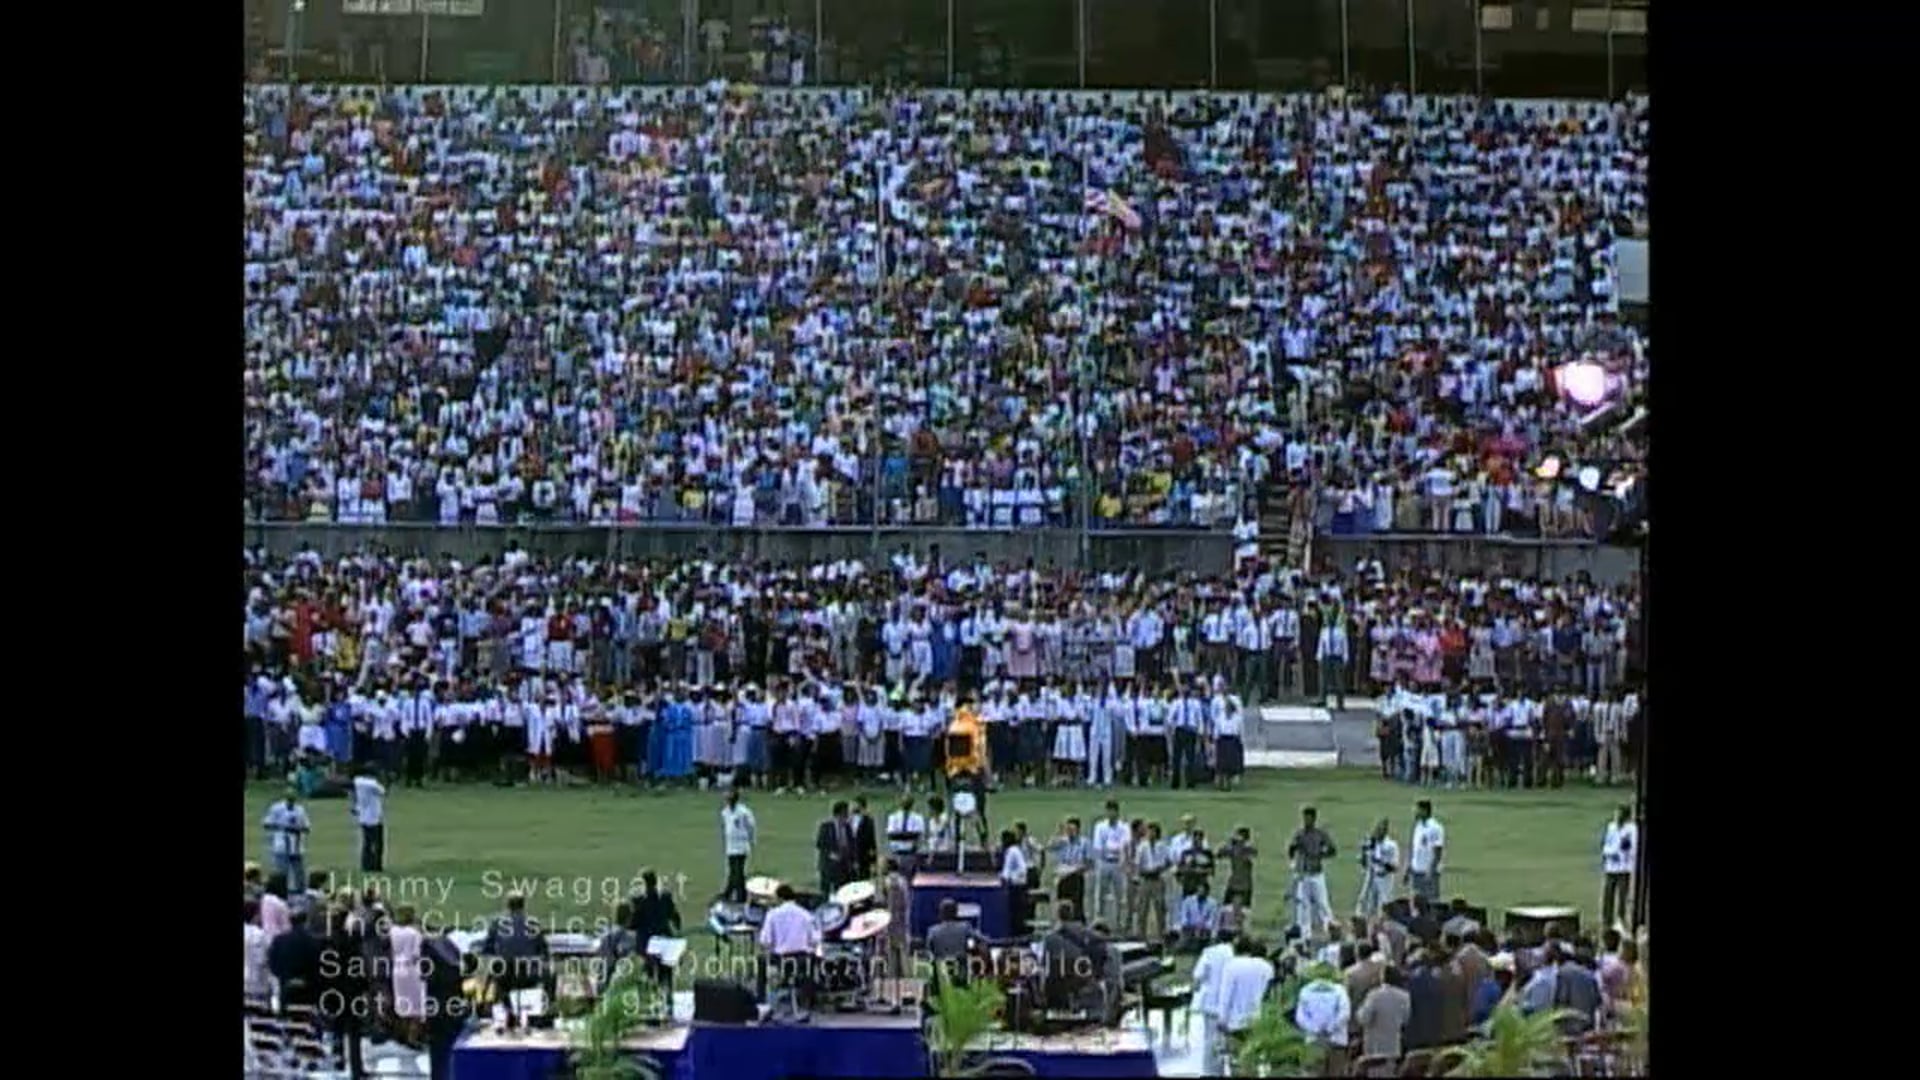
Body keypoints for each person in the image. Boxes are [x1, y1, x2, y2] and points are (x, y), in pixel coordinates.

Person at [481, 891, 551, 1028]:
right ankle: (544, 1012)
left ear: (507, 905)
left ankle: (504, 1012)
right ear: (523, 905)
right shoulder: (533, 923)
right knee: (549, 974)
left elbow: (487, 950)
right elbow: (543, 951)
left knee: (495, 969)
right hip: (528, 975)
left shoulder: (497, 923)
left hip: (505, 976)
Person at [759, 883, 820, 1020]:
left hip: (780, 959)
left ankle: (762, 1003)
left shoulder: (772, 915)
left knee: (761, 962)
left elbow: (765, 941)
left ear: (780, 898)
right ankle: (807, 1004)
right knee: (810, 966)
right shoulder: (806, 915)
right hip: (802, 959)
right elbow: (815, 939)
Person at [1217, 936, 1277, 1069]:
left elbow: (1226, 995)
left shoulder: (1231, 966)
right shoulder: (1266, 967)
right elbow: (1271, 995)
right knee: (1254, 1062)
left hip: (1235, 1022)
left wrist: (1222, 1019)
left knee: (1236, 1062)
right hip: (1259, 1021)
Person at [1294, 962, 1353, 1077]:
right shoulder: (1339, 990)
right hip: (1336, 1041)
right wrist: (1330, 1028)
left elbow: (1300, 1017)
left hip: (1313, 1041)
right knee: (1335, 1073)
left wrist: (1315, 1029)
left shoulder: (1306, 990)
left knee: (1313, 1073)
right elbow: (1345, 1013)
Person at [1287, 807, 1337, 939]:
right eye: (1305, 818)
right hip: (1303, 873)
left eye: (1309, 818)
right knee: (1304, 905)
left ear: (1314, 819)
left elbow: (1332, 850)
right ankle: (1305, 934)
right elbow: (1291, 849)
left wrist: (1320, 854)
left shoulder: (1320, 834)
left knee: (1323, 903)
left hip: (1316, 873)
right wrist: (1294, 859)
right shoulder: (1299, 834)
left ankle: (1329, 928)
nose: (1306, 821)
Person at [1192, 930, 1237, 1073]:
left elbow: (1198, 975)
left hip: (1211, 1002)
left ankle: (1211, 1071)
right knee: (1232, 1037)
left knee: (1210, 1038)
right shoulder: (1235, 953)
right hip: (1232, 1002)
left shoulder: (1209, 952)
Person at [628, 869, 682, 987]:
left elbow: (633, 924)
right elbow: (675, 917)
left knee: (649, 976)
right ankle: (667, 998)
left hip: (647, 944)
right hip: (664, 940)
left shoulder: (639, 901)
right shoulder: (665, 897)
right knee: (666, 976)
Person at [1355, 966, 1413, 1075]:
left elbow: (1364, 1018)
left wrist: (1359, 1011)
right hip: (1393, 1046)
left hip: (1375, 1047)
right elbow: (1406, 1019)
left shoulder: (1374, 995)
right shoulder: (1405, 996)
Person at [926, 898, 990, 990]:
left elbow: (928, 950)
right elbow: (982, 940)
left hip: (941, 972)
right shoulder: (965, 927)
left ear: (941, 913)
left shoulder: (932, 931)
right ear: (956, 913)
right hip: (961, 970)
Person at [266, 906, 323, 1010]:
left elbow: (272, 964)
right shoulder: (315, 942)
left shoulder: (279, 941)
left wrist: (284, 976)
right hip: (309, 992)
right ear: (306, 921)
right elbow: (318, 967)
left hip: (286, 990)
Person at [388, 904, 428, 1042]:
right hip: (411, 970)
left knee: (402, 1006)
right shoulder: (414, 933)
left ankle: (402, 1037)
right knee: (416, 1008)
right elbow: (417, 954)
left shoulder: (392, 931)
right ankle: (413, 1038)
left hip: (396, 970)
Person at [263, 789, 312, 893]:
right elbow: (267, 824)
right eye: (289, 799)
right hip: (281, 844)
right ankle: (281, 891)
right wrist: (283, 827)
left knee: (299, 871)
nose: (291, 801)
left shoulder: (300, 810)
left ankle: (300, 891)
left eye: (293, 799)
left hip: (297, 845)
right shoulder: (277, 808)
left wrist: (298, 829)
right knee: (281, 871)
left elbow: (307, 827)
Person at [1089, 801, 1129, 929]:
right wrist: (1112, 850)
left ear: (1117, 812)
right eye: (1109, 811)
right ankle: (1099, 920)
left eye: (1114, 811)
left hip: (1119, 863)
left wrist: (1116, 850)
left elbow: (1125, 845)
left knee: (1120, 894)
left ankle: (1119, 922)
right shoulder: (1100, 827)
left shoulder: (1124, 827)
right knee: (1100, 893)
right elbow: (1098, 846)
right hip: (1104, 862)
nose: (1111, 813)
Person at [1131, 821, 1171, 941]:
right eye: (1149, 831)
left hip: (1157, 879)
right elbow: (1137, 864)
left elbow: (1167, 862)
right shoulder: (1142, 846)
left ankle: (1161, 934)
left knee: (1160, 908)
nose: (1151, 834)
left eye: (1154, 831)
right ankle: (1141, 935)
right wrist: (1139, 876)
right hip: (1145, 879)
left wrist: (1160, 868)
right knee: (1142, 908)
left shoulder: (1162, 846)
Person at [1600, 804, 1636, 930]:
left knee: (1622, 896)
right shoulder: (1611, 827)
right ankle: (1606, 921)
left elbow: (1631, 848)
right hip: (1610, 867)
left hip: (1624, 868)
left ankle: (1620, 921)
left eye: (1619, 814)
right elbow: (1605, 844)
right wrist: (1609, 853)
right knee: (1607, 895)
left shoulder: (1631, 829)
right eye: (1616, 814)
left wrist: (1619, 853)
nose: (1617, 817)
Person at [1356, 818, 1398, 920]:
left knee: (1384, 904)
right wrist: (1364, 851)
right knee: (1367, 902)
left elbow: (1394, 867)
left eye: (1380, 830)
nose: (1377, 832)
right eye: (1376, 829)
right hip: (1372, 876)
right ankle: (1364, 921)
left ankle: (1383, 925)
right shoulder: (1371, 844)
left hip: (1385, 878)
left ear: (1385, 831)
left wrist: (1380, 862)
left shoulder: (1391, 846)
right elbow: (1364, 863)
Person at [1050, 817, 1091, 921]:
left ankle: (1078, 924)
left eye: (1072, 829)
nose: (1069, 832)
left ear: (1078, 829)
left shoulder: (1084, 842)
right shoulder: (1062, 842)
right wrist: (1058, 832)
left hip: (1076, 877)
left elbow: (1089, 862)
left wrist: (1077, 868)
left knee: (1076, 905)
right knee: (1062, 904)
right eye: (1068, 829)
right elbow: (1050, 846)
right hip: (1063, 877)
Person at [721, 789, 757, 903]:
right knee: (733, 871)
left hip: (741, 845)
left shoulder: (744, 812)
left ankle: (735, 895)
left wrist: (751, 839)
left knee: (738, 871)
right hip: (730, 846)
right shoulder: (725, 812)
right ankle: (736, 894)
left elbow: (751, 826)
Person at [1407, 800, 1446, 905]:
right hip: (1416, 871)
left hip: (1428, 872)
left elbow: (1438, 851)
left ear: (1424, 811)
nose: (1414, 812)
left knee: (1431, 901)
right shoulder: (1418, 826)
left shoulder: (1435, 828)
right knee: (1417, 903)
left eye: (1417, 809)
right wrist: (1408, 868)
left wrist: (1431, 870)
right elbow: (1415, 849)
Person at [350, 769, 386, 873]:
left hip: (363, 817)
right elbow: (382, 791)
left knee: (367, 843)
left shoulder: (358, 781)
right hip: (374, 818)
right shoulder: (372, 784)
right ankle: (376, 865)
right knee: (378, 844)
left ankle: (366, 865)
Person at [999, 828, 1032, 936]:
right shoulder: (1015, 850)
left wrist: (1006, 878)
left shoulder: (1012, 852)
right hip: (1018, 885)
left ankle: (1016, 935)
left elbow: (1008, 871)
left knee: (1016, 913)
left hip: (1017, 886)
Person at [885, 795, 926, 876]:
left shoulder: (918, 818)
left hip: (911, 853)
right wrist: (907, 836)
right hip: (897, 853)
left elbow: (918, 835)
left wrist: (902, 836)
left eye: (907, 801)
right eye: (904, 801)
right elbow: (891, 835)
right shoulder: (893, 817)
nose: (905, 803)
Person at [1175, 881, 1220, 953]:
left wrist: (1204, 926)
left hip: (1204, 929)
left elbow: (1212, 918)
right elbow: (1183, 915)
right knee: (1181, 946)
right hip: (1190, 927)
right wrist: (1188, 924)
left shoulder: (1212, 903)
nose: (1201, 893)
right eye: (1199, 891)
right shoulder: (1188, 900)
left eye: (1203, 891)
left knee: (1205, 945)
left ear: (1207, 892)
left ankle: (1200, 944)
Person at [1221, 826, 1258, 909]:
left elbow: (1252, 853)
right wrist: (1229, 843)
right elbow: (1220, 853)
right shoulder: (1233, 849)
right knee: (1226, 909)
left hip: (1245, 885)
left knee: (1244, 910)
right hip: (1233, 883)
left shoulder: (1248, 849)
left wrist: (1240, 846)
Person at [851, 794, 879, 881]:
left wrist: (873, 859)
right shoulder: (848, 819)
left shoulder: (868, 820)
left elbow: (871, 839)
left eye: (854, 804)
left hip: (863, 854)